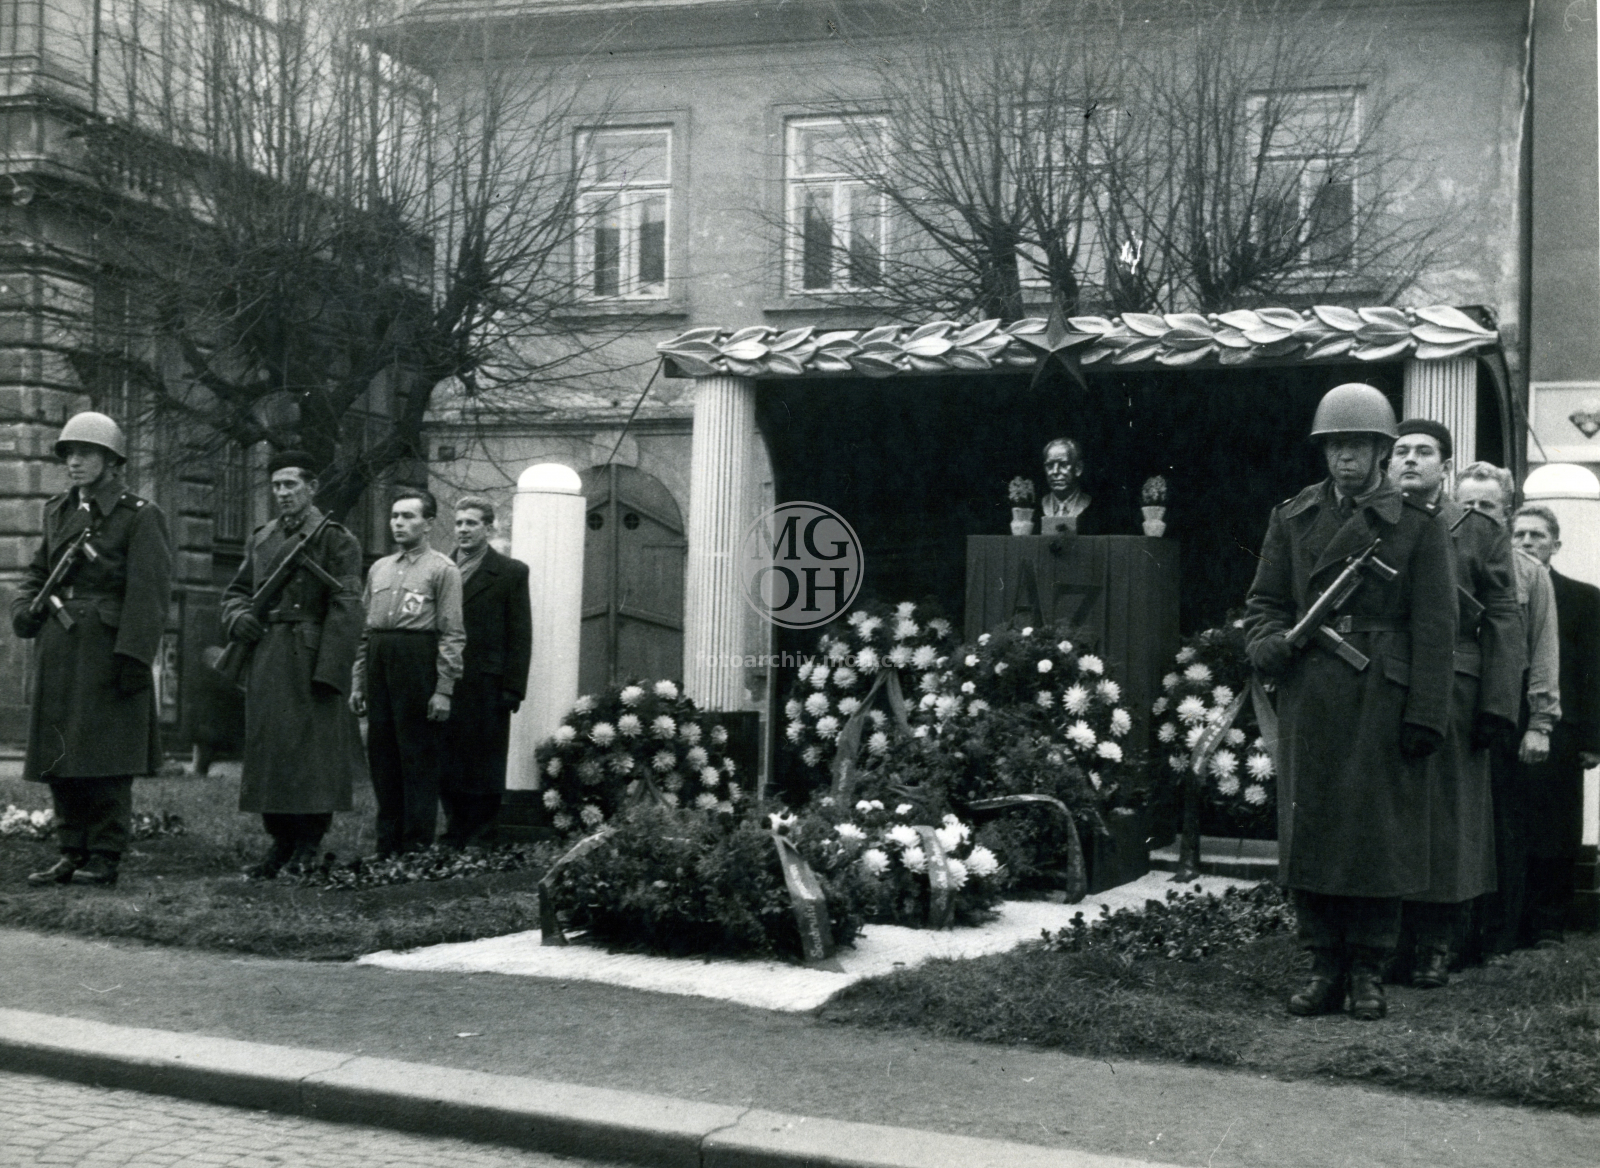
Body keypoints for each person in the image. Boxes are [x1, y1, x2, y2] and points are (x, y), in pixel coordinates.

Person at [1243, 383, 1456, 1021]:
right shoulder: (1294, 517)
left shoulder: (1416, 526)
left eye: (1358, 446)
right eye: (1335, 446)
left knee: (1377, 839)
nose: (1345, 458)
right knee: (1312, 835)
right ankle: (1322, 965)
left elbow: (1436, 630)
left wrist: (1425, 713)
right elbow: (1264, 604)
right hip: (1313, 696)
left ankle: (1369, 970)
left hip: (1381, 701)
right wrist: (1266, 644)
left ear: (1382, 452)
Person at [1385, 422, 1523, 987]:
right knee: (1391, 816)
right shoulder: (1375, 520)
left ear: (1446, 465)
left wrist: (1497, 703)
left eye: (1424, 452)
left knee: (1452, 822)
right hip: (1389, 686)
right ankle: (1386, 940)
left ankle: (1437, 944)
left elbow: (1504, 617)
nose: (1410, 460)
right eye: (1401, 451)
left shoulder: (1478, 529)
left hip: (1458, 693)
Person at [11, 411, 172, 887]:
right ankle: (71, 849)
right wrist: (24, 606)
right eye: (69, 454)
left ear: (111, 460)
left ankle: (104, 855)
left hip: (108, 650)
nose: (74, 462)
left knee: (106, 757)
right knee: (62, 755)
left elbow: (150, 594)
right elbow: (38, 571)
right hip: (61, 647)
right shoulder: (57, 510)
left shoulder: (140, 516)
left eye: (86, 453)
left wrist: (134, 658)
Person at [220, 451, 366, 878]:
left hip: (309, 657)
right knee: (271, 753)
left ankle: (308, 842)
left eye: (291, 485)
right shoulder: (262, 537)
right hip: (267, 653)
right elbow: (235, 591)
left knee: (310, 755)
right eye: (277, 485)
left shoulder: (336, 539)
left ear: (312, 487)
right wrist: (238, 617)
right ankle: (279, 842)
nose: (282, 493)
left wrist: (331, 670)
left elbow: (347, 606)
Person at [1454, 463, 1560, 957]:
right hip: (1451, 703)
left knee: (1501, 825)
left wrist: (1539, 722)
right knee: (1452, 820)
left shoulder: (1530, 574)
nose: (1475, 515)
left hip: (1504, 707)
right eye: (1467, 505)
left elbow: (1542, 650)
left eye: (1487, 507)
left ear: (1507, 511)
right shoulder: (1437, 558)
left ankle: (1493, 935)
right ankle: (1444, 935)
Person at [350, 488, 465, 857]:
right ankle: (387, 846)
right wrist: (359, 681)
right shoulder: (380, 568)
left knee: (417, 756)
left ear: (429, 524)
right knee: (382, 757)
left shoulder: (443, 569)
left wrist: (443, 688)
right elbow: (366, 632)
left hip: (418, 661)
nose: (398, 523)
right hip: (381, 662)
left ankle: (415, 846)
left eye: (408, 516)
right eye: (395, 516)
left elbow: (452, 633)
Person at [1510, 503, 1600, 945]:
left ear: (1556, 545)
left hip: (1562, 730)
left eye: (1537, 536)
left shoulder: (1585, 599)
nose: (1526, 543)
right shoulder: (1499, 592)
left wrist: (1593, 740)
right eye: (1519, 535)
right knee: (1512, 823)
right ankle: (1510, 921)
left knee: (1556, 828)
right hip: (1506, 724)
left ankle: (1548, 922)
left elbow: (1594, 671)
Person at [440, 496, 531, 848]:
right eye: (459, 523)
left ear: (489, 529)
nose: (463, 529)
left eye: (471, 523)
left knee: (484, 759)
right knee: (448, 758)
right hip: (445, 679)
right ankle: (454, 830)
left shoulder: (510, 572)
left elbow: (520, 633)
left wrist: (513, 688)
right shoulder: (439, 568)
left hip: (487, 682)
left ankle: (482, 834)